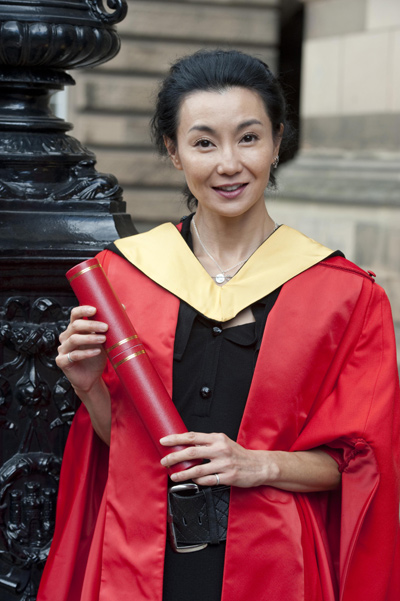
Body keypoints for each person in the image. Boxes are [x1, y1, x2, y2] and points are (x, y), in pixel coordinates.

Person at [37, 50, 400, 601]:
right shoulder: (125, 277)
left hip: (271, 565)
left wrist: (256, 464)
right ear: (174, 152)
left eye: (249, 137)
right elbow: (130, 447)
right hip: (141, 559)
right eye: (204, 142)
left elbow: (362, 468)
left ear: (278, 142)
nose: (229, 163)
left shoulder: (345, 295)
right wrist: (90, 389)